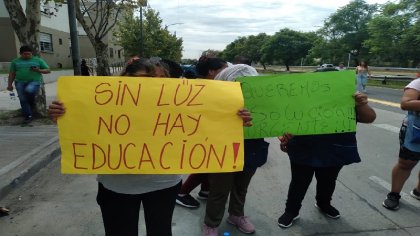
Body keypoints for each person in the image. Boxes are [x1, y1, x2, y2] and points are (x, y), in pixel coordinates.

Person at [48, 57, 253, 236]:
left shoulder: (179, 102)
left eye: (160, 82)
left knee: (161, 231)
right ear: (125, 78)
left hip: (163, 184)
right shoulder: (103, 102)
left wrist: (233, 120)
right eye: (144, 81)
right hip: (116, 186)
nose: (152, 89)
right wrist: (64, 115)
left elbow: (208, 123)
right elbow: (82, 124)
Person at [277, 92, 376, 228]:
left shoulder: (346, 102)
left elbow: (370, 117)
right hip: (302, 149)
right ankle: (291, 211)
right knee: (299, 182)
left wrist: (361, 104)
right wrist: (284, 139)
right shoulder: (300, 102)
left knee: (328, 181)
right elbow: (285, 122)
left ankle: (324, 203)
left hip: (334, 150)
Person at [198, 56, 270, 236]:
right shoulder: (212, 98)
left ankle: (236, 215)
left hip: (252, 146)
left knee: (241, 186)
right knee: (219, 189)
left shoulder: (262, 99)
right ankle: (211, 223)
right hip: (222, 147)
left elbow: (274, 118)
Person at [176, 57, 230, 209]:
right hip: (204, 132)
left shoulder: (219, 87)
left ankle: (205, 190)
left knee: (211, 162)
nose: (227, 72)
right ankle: (181, 193)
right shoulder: (202, 88)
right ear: (211, 72)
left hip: (213, 131)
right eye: (223, 69)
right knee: (208, 163)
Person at [382, 72, 420, 210]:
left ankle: (418, 192)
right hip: (415, 131)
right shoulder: (417, 83)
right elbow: (405, 103)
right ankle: (394, 194)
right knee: (406, 163)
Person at [7, 45, 50, 122]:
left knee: (29, 90)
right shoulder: (15, 61)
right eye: (25, 54)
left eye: (29, 54)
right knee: (23, 99)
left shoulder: (38, 60)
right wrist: (9, 84)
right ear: (20, 53)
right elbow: (12, 73)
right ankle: (28, 116)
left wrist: (38, 70)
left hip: (34, 81)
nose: (27, 55)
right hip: (19, 81)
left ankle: (31, 103)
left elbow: (48, 70)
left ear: (32, 53)